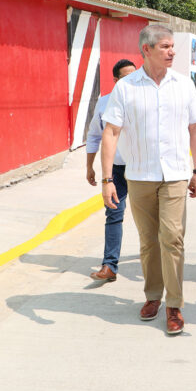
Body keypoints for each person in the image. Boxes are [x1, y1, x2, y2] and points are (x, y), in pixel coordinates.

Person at [101, 25, 196, 336]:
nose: (172, 51)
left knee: (171, 237)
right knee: (148, 242)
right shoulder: (126, 88)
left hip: (174, 175)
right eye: (164, 46)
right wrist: (107, 179)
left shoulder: (183, 85)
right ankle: (152, 297)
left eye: (173, 46)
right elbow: (111, 133)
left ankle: (174, 304)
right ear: (146, 50)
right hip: (140, 175)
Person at [86, 59, 136, 282]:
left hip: (142, 168)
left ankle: (157, 266)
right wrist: (90, 166)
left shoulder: (143, 100)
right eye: (126, 78)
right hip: (116, 169)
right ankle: (110, 265)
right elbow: (95, 135)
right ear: (115, 81)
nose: (132, 82)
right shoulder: (105, 103)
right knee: (114, 213)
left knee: (152, 218)